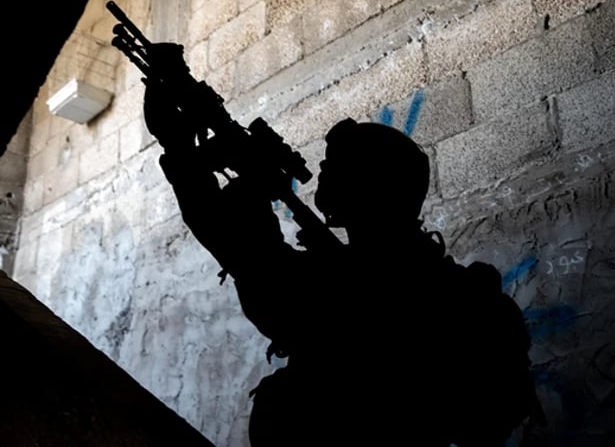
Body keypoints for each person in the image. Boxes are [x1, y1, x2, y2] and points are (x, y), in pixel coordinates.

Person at [143, 85, 538, 446]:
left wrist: (184, 149)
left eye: (336, 166)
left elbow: (243, 249)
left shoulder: (341, 284)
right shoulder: (464, 292)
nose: (324, 172)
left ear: (366, 186)